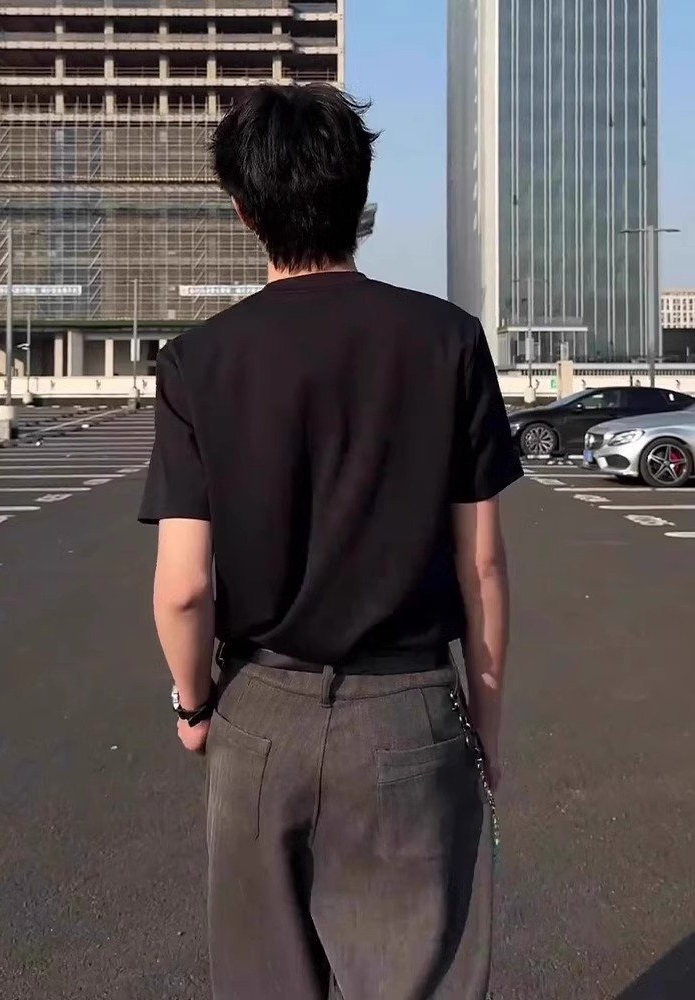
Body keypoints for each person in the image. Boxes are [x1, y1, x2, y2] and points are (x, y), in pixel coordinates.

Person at [140, 84, 522, 1000]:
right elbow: (481, 565)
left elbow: (184, 587)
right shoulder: (448, 341)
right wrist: (485, 722)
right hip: (410, 708)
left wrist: (195, 707)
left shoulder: (197, 361)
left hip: (259, 713)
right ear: (361, 196)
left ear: (244, 209)